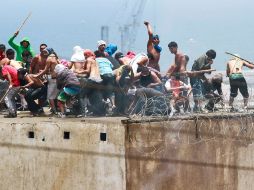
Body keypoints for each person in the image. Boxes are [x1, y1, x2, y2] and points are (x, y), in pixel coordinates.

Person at [34, 48, 59, 114]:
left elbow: (45, 70)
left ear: (49, 52)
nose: (44, 53)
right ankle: (58, 109)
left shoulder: (49, 58)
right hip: (58, 79)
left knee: (50, 97)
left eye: (45, 52)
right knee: (56, 96)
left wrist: (37, 75)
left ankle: (54, 111)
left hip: (52, 80)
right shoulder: (56, 58)